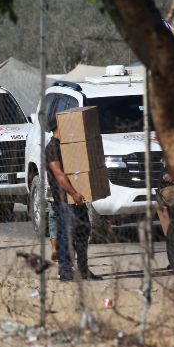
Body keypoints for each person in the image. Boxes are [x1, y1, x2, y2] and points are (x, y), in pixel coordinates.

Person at [45, 117, 101, 282]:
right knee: (67, 233)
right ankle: (65, 271)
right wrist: (74, 193)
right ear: (58, 128)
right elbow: (59, 175)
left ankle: (83, 270)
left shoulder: (67, 146)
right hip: (64, 198)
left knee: (83, 230)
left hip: (76, 198)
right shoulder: (52, 147)